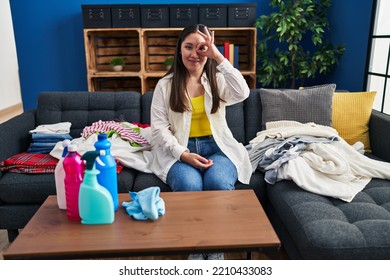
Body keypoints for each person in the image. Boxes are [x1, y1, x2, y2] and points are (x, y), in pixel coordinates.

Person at [146, 24, 252, 260]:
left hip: (218, 148)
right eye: (188, 47)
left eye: (201, 48)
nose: (194, 53)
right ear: (179, 50)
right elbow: (159, 129)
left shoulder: (216, 80)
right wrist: (182, 154)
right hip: (180, 150)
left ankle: (214, 251)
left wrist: (217, 56)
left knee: (217, 182)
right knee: (189, 184)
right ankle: (194, 250)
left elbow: (243, 92)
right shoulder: (165, 85)